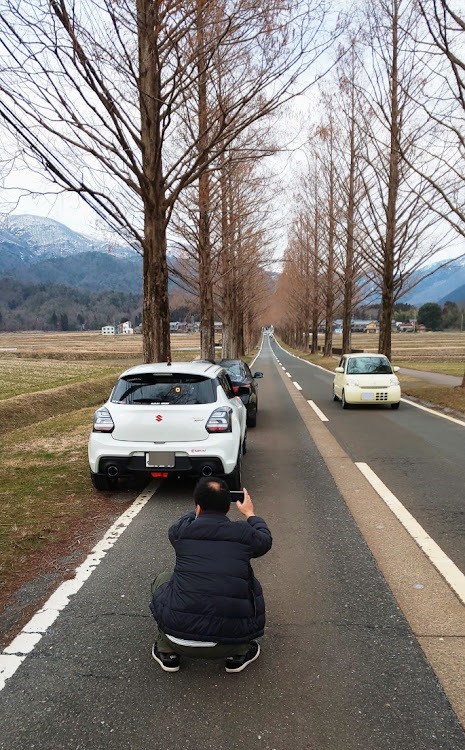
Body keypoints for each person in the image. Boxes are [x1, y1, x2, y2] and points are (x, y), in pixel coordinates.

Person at [150, 477, 272, 673]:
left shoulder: (181, 531)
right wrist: (250, 513)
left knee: (163, 579)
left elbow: (182, 521)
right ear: (229, 508)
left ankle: (167, 650)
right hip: (229, 642)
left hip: (177, 638)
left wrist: (199, 508)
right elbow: (265, 540)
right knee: (249, 585)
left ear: (198, 507)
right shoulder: (243, 533)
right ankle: (239, 654)